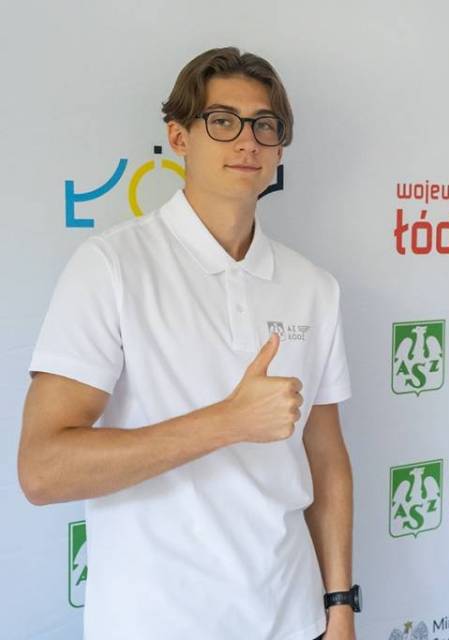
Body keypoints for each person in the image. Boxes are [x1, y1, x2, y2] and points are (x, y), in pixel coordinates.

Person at [18, 47, 359, 640]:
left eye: (265, 126)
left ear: (280, 149)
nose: (247, 141)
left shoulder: (313, 287)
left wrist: (339, 604)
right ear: (179, 137)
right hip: (156, 622)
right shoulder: (112, 266)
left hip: (292, 616)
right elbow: (43, 470)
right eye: (222, 121)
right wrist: (227, 422)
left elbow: (326, 460)